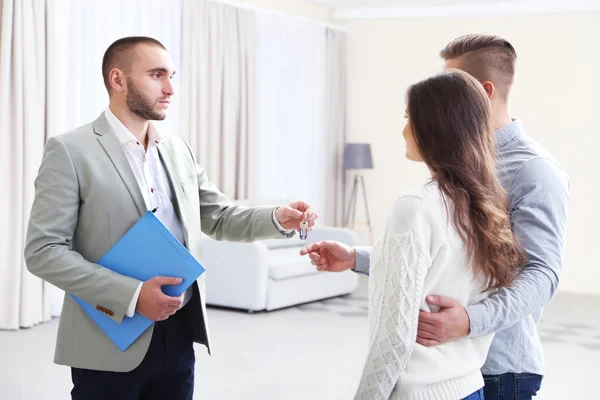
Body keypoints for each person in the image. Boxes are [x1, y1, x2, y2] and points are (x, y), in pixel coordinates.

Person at [24, 36, 318, 400]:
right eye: (157, 75)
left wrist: (277, 218)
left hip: (179, 332)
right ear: (118, 80)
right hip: (108, 336)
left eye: (172, 76)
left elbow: (219, 216)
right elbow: (44, 251)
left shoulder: (178, 149)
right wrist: (132, 295)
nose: (170, 88)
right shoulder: (70, 151)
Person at [300, 34, 570, 400]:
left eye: (453, 84)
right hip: (453, 369)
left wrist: (470, 321)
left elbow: (541, 274)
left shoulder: (535, 171)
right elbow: (451, 254)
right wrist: (356, 258)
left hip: (500, 369)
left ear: (483, 91)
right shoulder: (457, 170)